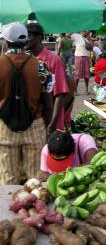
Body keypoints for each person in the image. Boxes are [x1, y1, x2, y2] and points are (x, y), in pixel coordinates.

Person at [0, 22, 53, 184]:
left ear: (6, 42)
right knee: (36, 181)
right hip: (35, 126)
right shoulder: (42, 66)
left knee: (8, 181)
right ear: (25, 41)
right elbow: (49, 102)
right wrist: (47, 126)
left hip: (5, 127)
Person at [26, 23, 70, 132]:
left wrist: (52, 124)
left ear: (39, 37)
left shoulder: (54, 60)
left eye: (28, 36)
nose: (25, 40)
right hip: (32, 121)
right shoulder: (24, 59)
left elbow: (59, 95)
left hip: (50, 121)